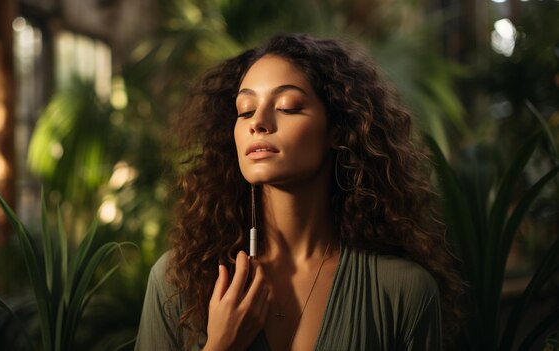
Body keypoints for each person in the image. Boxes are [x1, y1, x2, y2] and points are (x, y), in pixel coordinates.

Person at [135, 33, 464, 351]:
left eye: (288, 106)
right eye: (245, 109)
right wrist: (221, 346)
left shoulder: (402, 291)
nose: (258, 122)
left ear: (337, 129)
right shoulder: (177, 282)